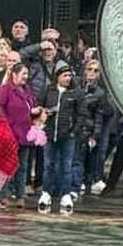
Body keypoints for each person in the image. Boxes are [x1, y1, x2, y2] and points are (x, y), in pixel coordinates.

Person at [38, 62, 80, 214]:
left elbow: (81, 115)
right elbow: (39, 107)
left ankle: (66, 194)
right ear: (57, 77)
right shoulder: (48, 91)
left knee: (66, 166)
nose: (68, 78)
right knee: (48, 165)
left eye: (69, 75)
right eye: (65, 75)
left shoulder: (75, 93)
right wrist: (45, 113)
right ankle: (46, 192)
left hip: (67, 135)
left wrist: (74, 131)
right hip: (49, 134)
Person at [0, 63, 36, 204]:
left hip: (25, 134)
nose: (26, 77)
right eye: (23, 74)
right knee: (7, 165)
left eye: (27, 74)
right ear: (14, 74)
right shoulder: (6, 89)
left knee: (22, 166)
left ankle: (20, 195)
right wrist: (6, 126)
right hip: (10, 133)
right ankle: (4, 194)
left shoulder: (27, 90)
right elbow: (0, 108)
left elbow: (31, 107)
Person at [75, 60, 110, 195]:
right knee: (76, 158)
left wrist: (95, 135)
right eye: (89, 69)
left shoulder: (100, 93)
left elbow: (100, 116)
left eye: (96, 70)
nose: (92, 73)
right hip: (76, 126)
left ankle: (85, 181)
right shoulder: (77, 86)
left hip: (89, 128)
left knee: (88, 156)